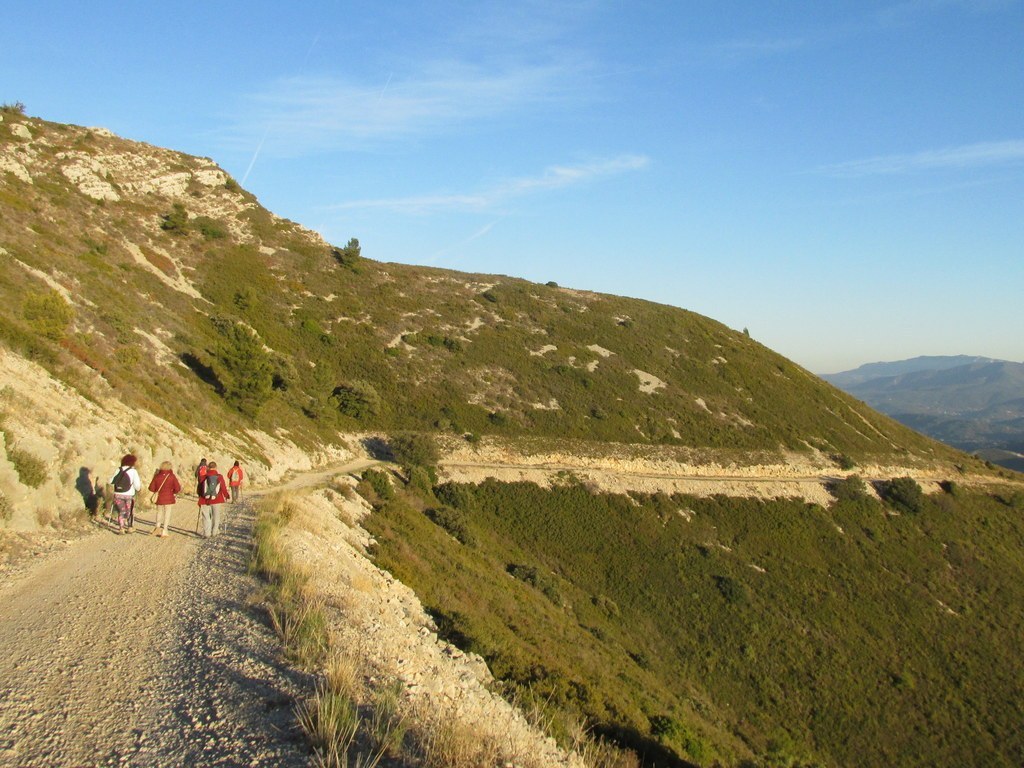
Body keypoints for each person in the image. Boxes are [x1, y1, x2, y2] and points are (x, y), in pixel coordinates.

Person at [148, 461, 182, 538]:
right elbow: (177, 488)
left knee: (159, 512)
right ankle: (164, 530)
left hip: (159, 497)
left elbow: (151, 488)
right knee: (167, 513)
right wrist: (173, 492)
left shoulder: (157, 476)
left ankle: (157, 527)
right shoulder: (171, 476)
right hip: (169, 497)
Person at [109, 454, 142, 534]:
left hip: (118, 494)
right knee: (129, 511)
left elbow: (111, 481)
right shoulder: (133, 471)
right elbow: (137, 485)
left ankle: (121, 528)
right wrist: (138, 489)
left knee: (121, 511)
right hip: (129, 494)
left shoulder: (118, 470)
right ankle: (130, 527)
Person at [198, 461, 229, 538]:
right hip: (217, 499)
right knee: (216, 516)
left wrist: (200, 496)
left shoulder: (203, 476)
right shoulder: (219, 476)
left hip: (204, 499)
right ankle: (214, 532)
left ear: (208, 467)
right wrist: (226, 495)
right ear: (216, 468)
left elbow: (199, 488)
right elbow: (223, 487)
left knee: (206, 516)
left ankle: (207, 533)